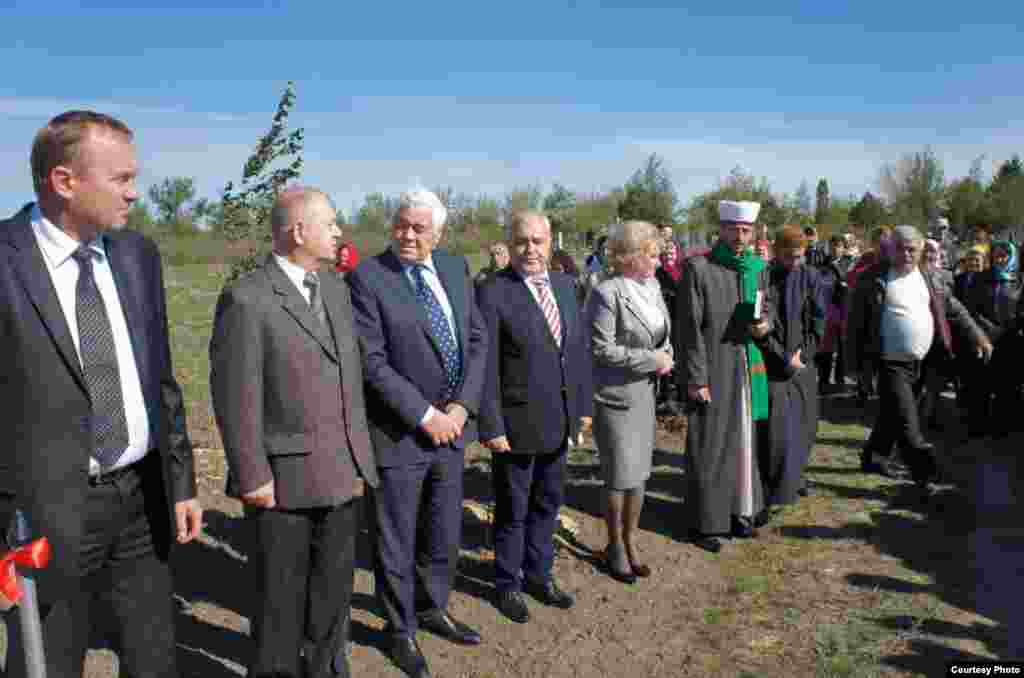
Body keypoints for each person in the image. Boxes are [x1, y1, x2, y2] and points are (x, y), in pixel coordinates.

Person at [0, 110, 202, 677]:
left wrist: (180, 480)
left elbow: (162, 379)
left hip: (141, 503)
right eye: (121, 179)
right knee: (50, 661)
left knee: (153, 658)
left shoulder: (137, 255)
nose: (135, 194)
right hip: (45, 514)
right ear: (64, 181)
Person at [210, 187, 379, 677]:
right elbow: (235, 394)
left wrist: (360, 458)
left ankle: (325, 666)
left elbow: (350, 377)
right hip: (281, 484)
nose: (339, 233)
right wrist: (252, 474)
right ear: (298, 231)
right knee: (278, 604)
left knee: (332, 595)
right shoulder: (248, 298)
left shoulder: (334, 289)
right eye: (330, 224)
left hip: (342, 473)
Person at [347, 188, 487, 678]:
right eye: (401, 225)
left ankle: (433, 607)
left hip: (452, 431)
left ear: (439, 234)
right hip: (400, 433)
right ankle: (399, 628)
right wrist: (427, 415)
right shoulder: (368, 277)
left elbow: (475, 337)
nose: (406, 235)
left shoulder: (454, 268)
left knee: (443, 533)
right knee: (396, 539)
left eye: (418, 228)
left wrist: (463, 407)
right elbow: (372, 361)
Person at [478, 211, 592, 623]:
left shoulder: (564, 285)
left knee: (548, 504)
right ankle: (507, 583)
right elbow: (486, 364)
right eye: (522, 241)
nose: (530, 249)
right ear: (510, 244)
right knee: (513, 509)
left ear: (549, 243)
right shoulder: (493, 291)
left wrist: (582, 410)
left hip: (559, 420)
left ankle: (539, 575)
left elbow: (576, 353)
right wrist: (490, 425)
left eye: (538, 241)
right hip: (515, 423)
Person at [846, 226, 991, 487]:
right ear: (890, 249)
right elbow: (855, 324)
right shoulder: (872, 279)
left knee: (893, 414)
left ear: (921, 250)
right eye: (900, 248)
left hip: (922, 362)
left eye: (912, 249)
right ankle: (926, 476)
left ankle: (873, 457)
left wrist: (979, 337)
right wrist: (854, 365)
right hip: (890, 362)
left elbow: (956, 311)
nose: (906, 254)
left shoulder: (930, 278)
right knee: (909, 425)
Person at [675, 200, 772, 554]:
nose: (740, 237)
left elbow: (766, 309)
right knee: (710, 444)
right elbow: (689, 330)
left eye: (747, 231)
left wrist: (764, 326)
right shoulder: (698, 269)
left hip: (747, 365)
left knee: (744, 440)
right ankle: (705, 521)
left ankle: (740, 511)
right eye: (734, 229)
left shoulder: (756, 268)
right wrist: (696, 378)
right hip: (712, 367)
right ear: (722, 228)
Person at [587, 221, 673, 579]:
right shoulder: (607, 293)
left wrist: (667, 353)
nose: (658, 263)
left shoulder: (652, 287)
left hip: (645, 394)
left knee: (639, 475)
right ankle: (615, 545)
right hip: (616, 397)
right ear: (632, 257)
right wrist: (652, 360)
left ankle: (631, 539)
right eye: (652, 256)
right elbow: (599, 349)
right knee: (620, 476)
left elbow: (662, 332)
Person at [757, 226, 826, 518]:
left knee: (805, 427)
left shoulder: (812, 277)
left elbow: (818, 321)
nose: (795, 263)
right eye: (789, 257)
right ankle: (774, 489)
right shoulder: (764, 277)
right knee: (777, 432)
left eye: (799, 257)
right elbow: (758, 322)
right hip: (774, 367)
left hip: (803, 366)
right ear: (777, 251)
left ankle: (796, 477)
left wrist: (804, 355)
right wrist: (782, 356)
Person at [961, 240, 1024, 437]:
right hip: (983, 338)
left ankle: (1002, 425)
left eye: (1005, 254)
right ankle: (977, 425)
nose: (1001, 257)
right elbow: (969, 308)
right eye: (997, 254)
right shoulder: (980, 279)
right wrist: (986, 329)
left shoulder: (1020, 281)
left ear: (1012, 256)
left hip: (1011, 341)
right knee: (980, 383)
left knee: (1007, 386)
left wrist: (1010, 328)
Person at [815, 234, 853, 389]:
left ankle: (840, 378)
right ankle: (824, 379)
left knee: (843, 346)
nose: (834, 249)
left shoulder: (849, 264)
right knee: (826, 346)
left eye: (838, 246)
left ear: (844, 248)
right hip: (828, 309)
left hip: (844, 309)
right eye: (832, 246)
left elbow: (849, 282)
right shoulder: (821, 264)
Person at [654, 239, 683, 414]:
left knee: (679, 356)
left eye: (672, 253)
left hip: (680, 321)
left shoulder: (683, 272)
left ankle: (678, 395)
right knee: (664, 355)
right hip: (662, 322)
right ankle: (663, 395)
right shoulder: (656, 274)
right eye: (665, 254)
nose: (669, 256)